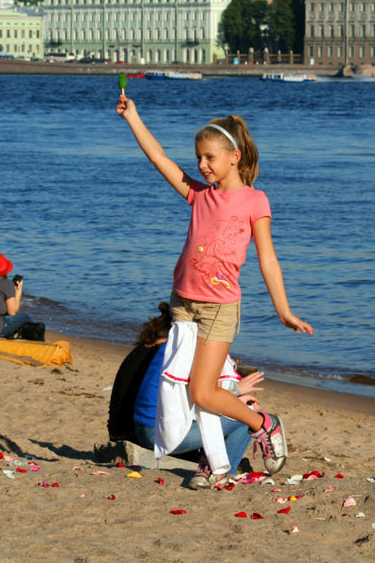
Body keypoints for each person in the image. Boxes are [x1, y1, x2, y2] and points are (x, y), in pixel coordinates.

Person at [116, 95, 313, 477]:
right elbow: (159, 158)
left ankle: (263, 425)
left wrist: (283, 310)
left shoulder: (255, 201)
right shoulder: (199, 195)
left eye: (210, 158)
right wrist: (133, 117)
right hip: (182, 304)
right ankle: (217, 463)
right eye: (199, 158)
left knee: (203, 391)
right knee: (186, 392)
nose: (202, 165)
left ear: (234, 157)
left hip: (219, 308)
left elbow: (267, 258)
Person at [107, 302, 265, 489]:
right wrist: (237, 395)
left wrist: (233, 395)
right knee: (248, 416)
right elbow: (203, 393)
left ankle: (213, 463)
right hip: (151, 433)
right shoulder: (185, 350)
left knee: (231, 411)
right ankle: (222, 472)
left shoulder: (165, 350)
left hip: (139, 427)